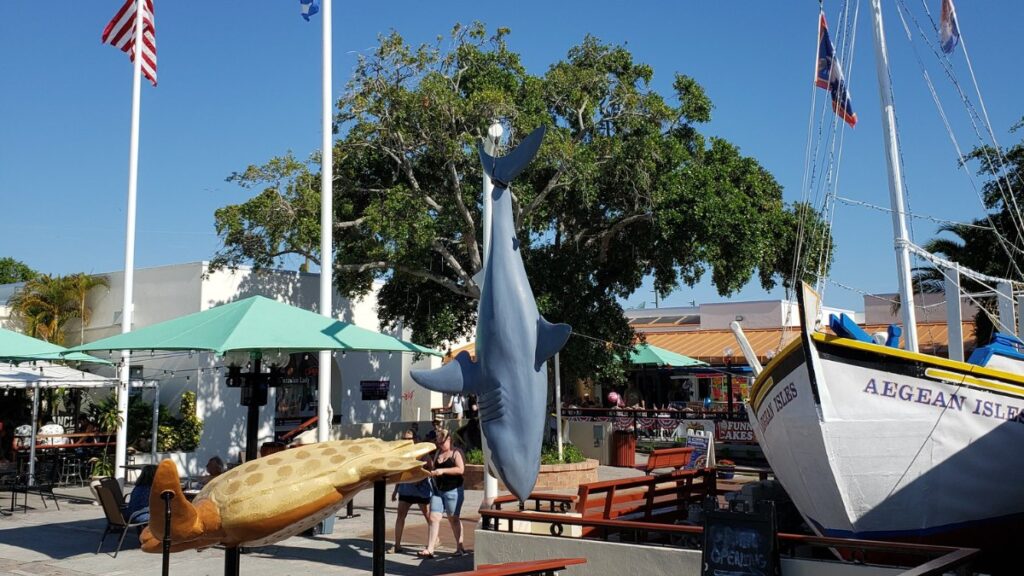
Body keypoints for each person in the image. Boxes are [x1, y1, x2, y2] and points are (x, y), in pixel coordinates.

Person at [418, 428, 467, 558]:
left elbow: (460, 470)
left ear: (449, 440)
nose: (440, 445)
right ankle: (430, 549)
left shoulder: (456, 453)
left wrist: (443, 471)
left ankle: (460, 547)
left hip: (453, 490)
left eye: (442, 443)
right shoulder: (438, 453)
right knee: (433, 518)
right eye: (438, 443)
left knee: (453, 519)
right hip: (437, 490)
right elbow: (434, 467)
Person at [390, 428, 431, 554]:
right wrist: (395, 490)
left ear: (415, 439)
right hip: (406, 489)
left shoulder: (422, 452)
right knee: (400, 516)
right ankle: (397, 544)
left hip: (421, 490)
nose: (407, 441)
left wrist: (420, 478)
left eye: (409, 438)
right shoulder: (402, 454)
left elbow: (430, 468)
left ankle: (433, 542)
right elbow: (399, 472)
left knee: (429, 517)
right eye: (405, 438)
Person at [125, 464, 157, 531]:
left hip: (130, 514)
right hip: (139, 515)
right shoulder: (150, 489)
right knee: (166, 518)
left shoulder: (138, 487)